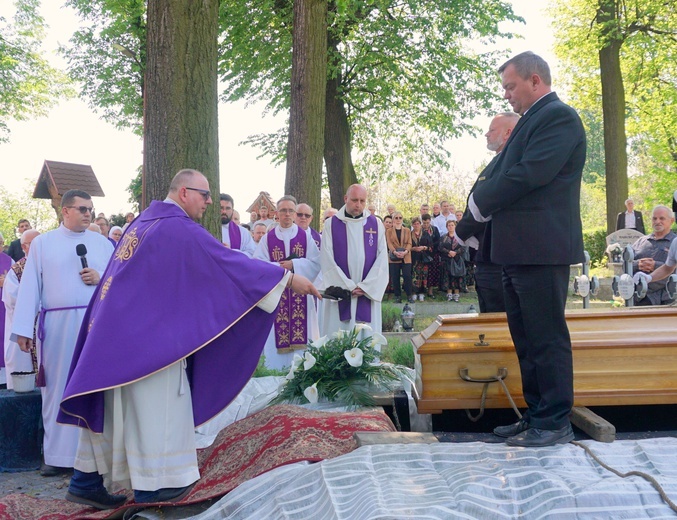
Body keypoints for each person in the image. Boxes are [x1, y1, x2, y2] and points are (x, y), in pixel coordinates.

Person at [58, 170, 319, 510]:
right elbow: (224, 263)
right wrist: (286, 278)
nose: (210, 202)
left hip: (117, 333)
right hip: (149, 342)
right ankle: (156, 488)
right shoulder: (175, 227)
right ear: (183, 192)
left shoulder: (145, 222)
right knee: (157, 407)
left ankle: (85, 480)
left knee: (113, 406)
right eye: (204, 194)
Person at [461, 51, 586, 447]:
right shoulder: (532, 120)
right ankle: (537, 415)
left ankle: (554, 421)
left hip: (541, 246)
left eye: (511, 86)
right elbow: (503, 169)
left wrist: (480, 202)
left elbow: (530, 173)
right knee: (526, 336)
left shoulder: (558, 117)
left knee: (545, 335)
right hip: (519, 249)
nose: (507, 95)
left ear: (536, 80)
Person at [12, 190, 114, 476]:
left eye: (91, 210)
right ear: (65, 211)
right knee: (56, 388)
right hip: (57, 326)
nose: (88, 214)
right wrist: (23, 329)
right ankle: (56, 456)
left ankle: (93, 458)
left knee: (92, 386)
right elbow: (30, 286)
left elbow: (118, 279)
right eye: (82, 209)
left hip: (94, 323)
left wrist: (100, 278)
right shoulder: (43, 244)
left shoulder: (102, 243)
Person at [457, 112, 520, 313]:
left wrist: (460, 234)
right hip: (488, 256)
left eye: (492, 130)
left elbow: (482, 204)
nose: (486, 134)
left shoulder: (508, 164)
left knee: (497, 321)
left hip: (497, 259)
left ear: (508, 133)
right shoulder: (499, 162)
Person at [254, 195, 321, 369]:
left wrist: (295, 264)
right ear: (277, 213)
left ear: (295, 213)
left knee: (303, 348)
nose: (287, 214)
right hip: (276, 295)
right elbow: (258, 266)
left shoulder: (305, 237)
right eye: (283, 210)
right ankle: (275, 371)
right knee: (274, 345)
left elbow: (316, 263)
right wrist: (279, 268)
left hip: (301, 297)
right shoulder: (267, 239)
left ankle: (302, 371)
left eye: (291, 210)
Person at [320, 184, 388, 336]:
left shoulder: (375, 224)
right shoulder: (331, 224)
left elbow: (382, 260)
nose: (358, 205)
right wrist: (347, 287)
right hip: (341, 292)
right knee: (338, 336)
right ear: (346, 199)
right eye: (354, 200)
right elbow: (326, 259)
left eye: (362, 201)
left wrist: (366, 287)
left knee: (367, 338)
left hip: (366, 293)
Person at [3, 230, 39, 390]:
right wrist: (41, 307)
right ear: (25, 246)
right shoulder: (16, 271)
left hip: (46, 331)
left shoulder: (50, 266)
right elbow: (13, 300)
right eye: (35, 243)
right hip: (25, 330)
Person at [630, 205, 676, 306]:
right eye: (654, 218)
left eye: (662, 218)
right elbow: (624, 266)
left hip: (668, 300)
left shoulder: (675, 243)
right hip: (638, 299)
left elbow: (671, 270)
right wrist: (638, 265)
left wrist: (655, 265)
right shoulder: (641, 242)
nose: (657, 221)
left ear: (672, 221)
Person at [386, 211, 413, 303]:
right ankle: (397, 296)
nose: (398, 220)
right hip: (394, 257)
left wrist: (405, 251)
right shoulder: (389, 231)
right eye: (396, 218)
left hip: (406, 256)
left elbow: (410, 243)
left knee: (407, 276)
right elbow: (389, 243)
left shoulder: (407, 230)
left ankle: (409, 295)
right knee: (395, 277)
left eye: (400, 218)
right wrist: (395, 252)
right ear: (393, 219)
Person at [439, 220, 467, 301]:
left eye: (452, 225)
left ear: (455, 226)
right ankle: (449, 294)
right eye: (449, 225)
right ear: (446, 227)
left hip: (457, 260)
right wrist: (448, 252)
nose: (450, 227)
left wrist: (456, 252)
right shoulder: (443, 237)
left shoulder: (459, 237)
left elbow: (463, 247)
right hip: (447, 260)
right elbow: (440, 248)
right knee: (448, 277)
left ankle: (456, 294)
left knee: (457, 277)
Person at [410, 216, 434, 301]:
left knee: (423, 275)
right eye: (414, 224)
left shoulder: (426, 234)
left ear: (420, 224)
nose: (416, 225)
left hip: (423, 258)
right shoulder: (409, 234)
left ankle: (422, 293)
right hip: (413, 258)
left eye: (418, 224)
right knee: (414, 276)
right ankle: (414, 292)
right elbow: (406, 246)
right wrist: (413, 248)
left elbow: (431, 246)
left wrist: (424, 247)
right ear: (412, 225)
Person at [0, 233, 12, 386]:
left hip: (3, 307)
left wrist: (6, 281)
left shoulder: (9, 260)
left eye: (1, 242)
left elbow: (16, 279)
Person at [421, 213, 441, 298]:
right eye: (424, 223)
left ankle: (430, 291)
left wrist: (430, 246)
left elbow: (438, 240)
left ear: (430, 222)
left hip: (433, 254)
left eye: (427, 223)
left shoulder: (434, 229)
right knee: (422, 273)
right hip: (422, 254)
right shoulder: (420, 229)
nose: (426, 225)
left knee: (432, 273)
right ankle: (421, 290)